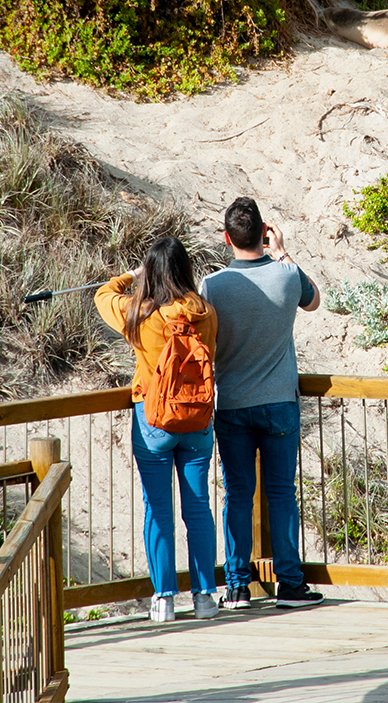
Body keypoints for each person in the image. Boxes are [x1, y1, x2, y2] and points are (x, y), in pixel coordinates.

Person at [200, 197, 323, 609]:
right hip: (279, 402)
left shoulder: (213, 286)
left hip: (232, 402)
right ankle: (290, 583)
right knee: (282, 494)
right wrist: (283, 250)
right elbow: (314, 299)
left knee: (237, 494)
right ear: (263, 233)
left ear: (226, 238)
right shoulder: (287, 276)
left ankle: (236, 585)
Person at [95, 237, 220, 622]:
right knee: (198, 507)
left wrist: (131, 275)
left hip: (153, 419)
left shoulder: (139, 315)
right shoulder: (207, 314)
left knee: (158, 509)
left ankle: (164, 598)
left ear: (152, 272)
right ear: (185, 270)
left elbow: (103, 295)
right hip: (198, 418)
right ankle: (205, 598)